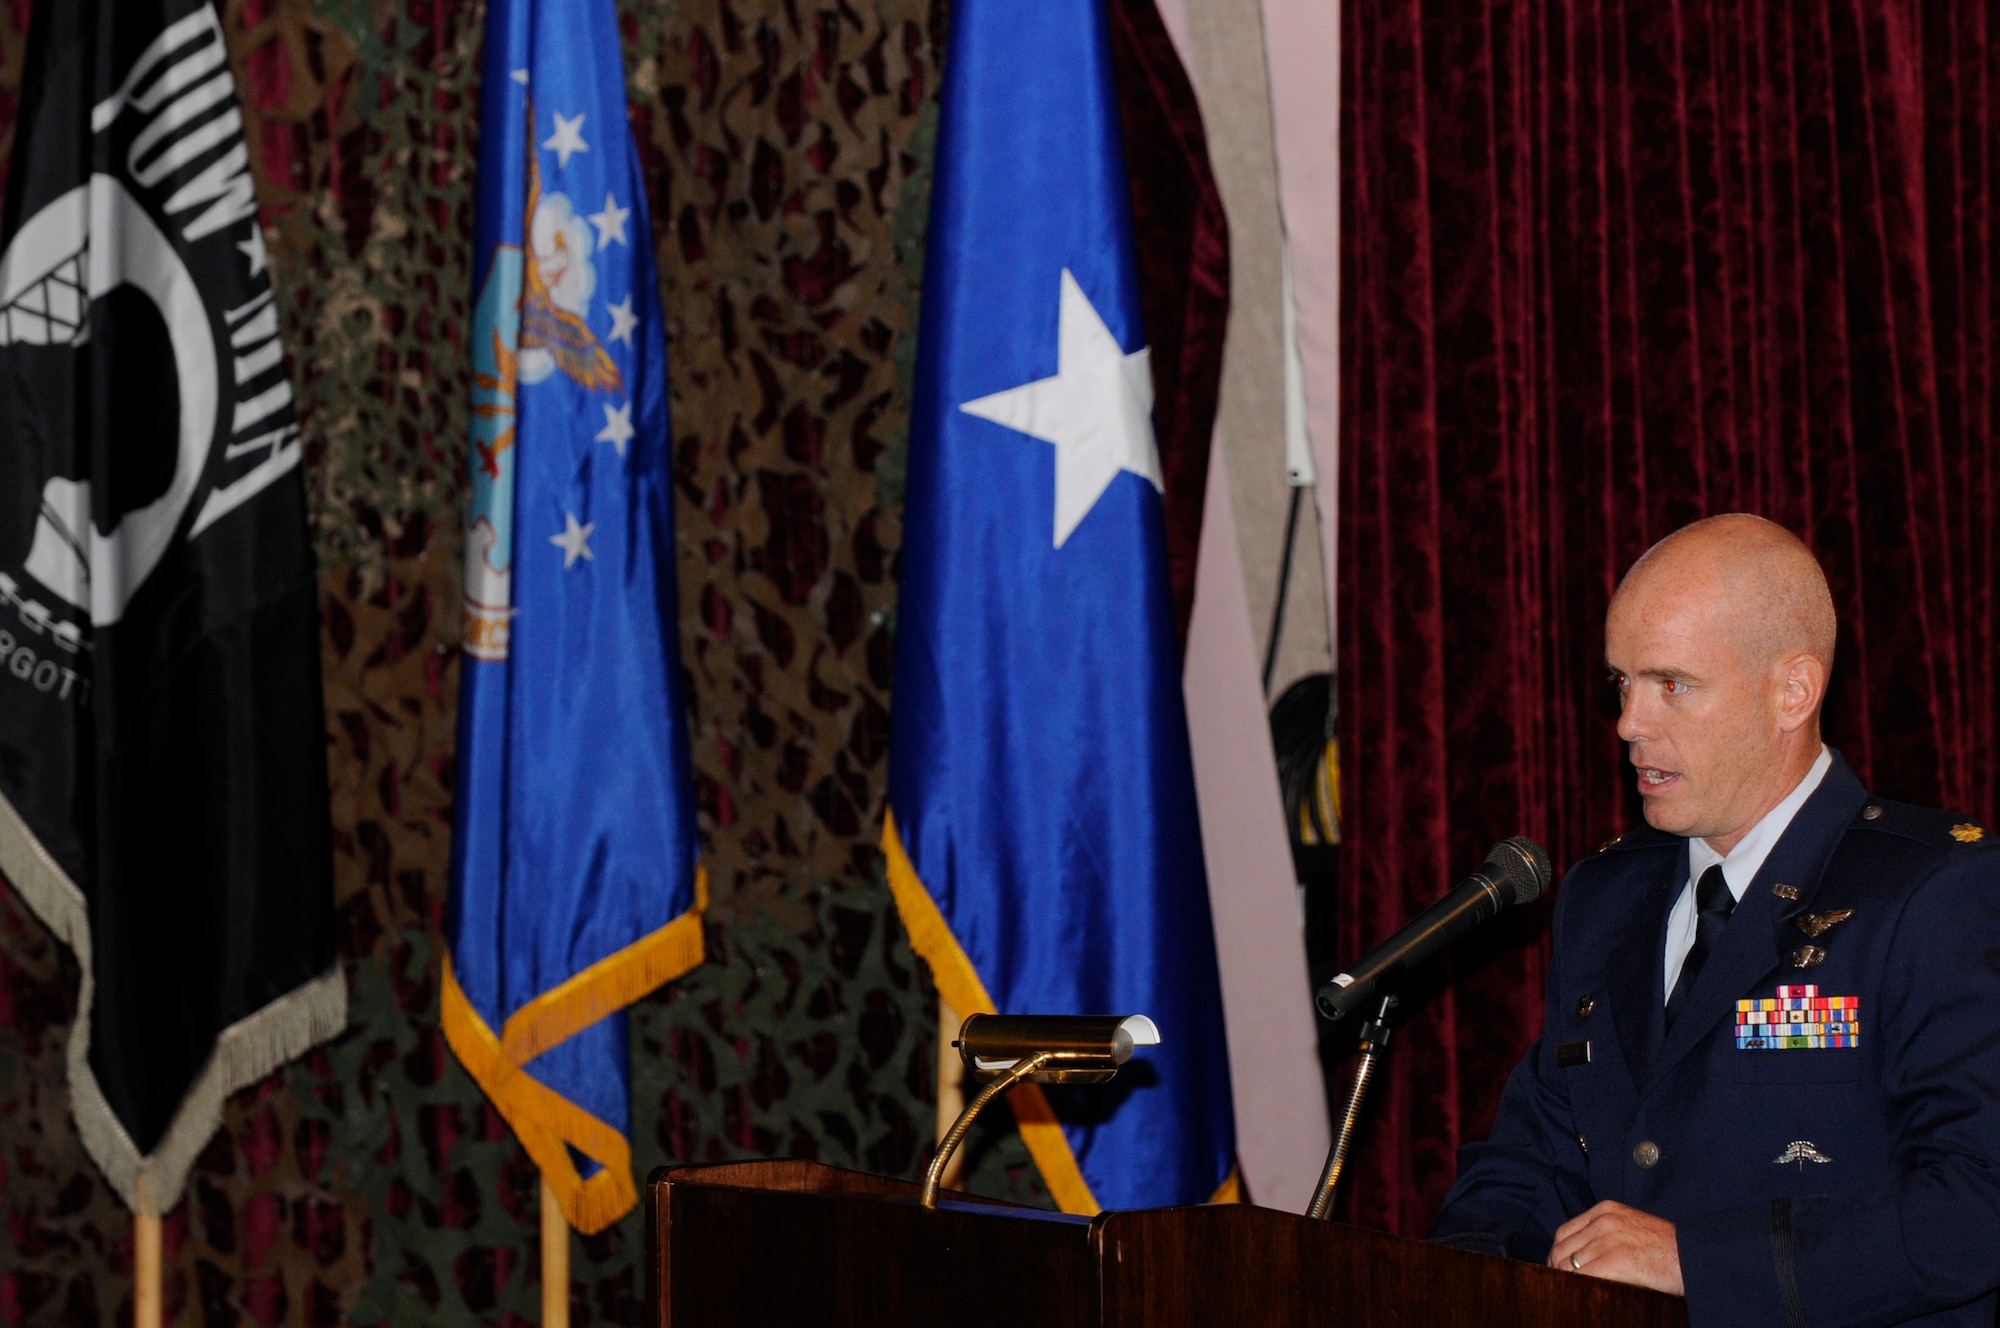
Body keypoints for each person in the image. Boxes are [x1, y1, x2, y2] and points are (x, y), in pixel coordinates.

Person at [1431, 514, 2000, 1327]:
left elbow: (1975, 1203)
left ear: (1792, 691)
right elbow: (1531, 1161)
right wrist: (1461, 1278)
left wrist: (1695, 1262)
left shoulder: (1933, 892)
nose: (1629, 722)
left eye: (1672, 684)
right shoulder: (1607, 896)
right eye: (1620, 684)